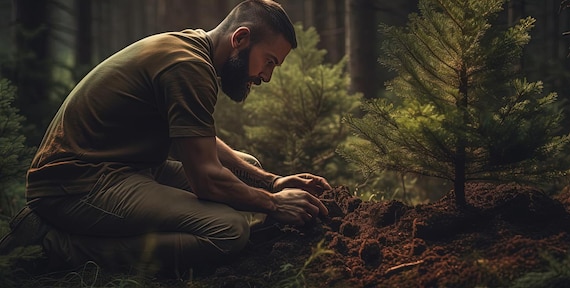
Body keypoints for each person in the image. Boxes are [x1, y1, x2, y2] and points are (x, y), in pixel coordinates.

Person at [0, 0, 330, 277]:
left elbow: (198, 139)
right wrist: (273, 202)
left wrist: (271, 181)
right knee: (229, 231)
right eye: (269, 61)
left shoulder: (193, 51)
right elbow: (206, 179)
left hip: (127, 169)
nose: (266, 77)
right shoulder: (188, 66)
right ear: (241, 39)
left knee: (247, 167)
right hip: (76, 184)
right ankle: (55, 245)